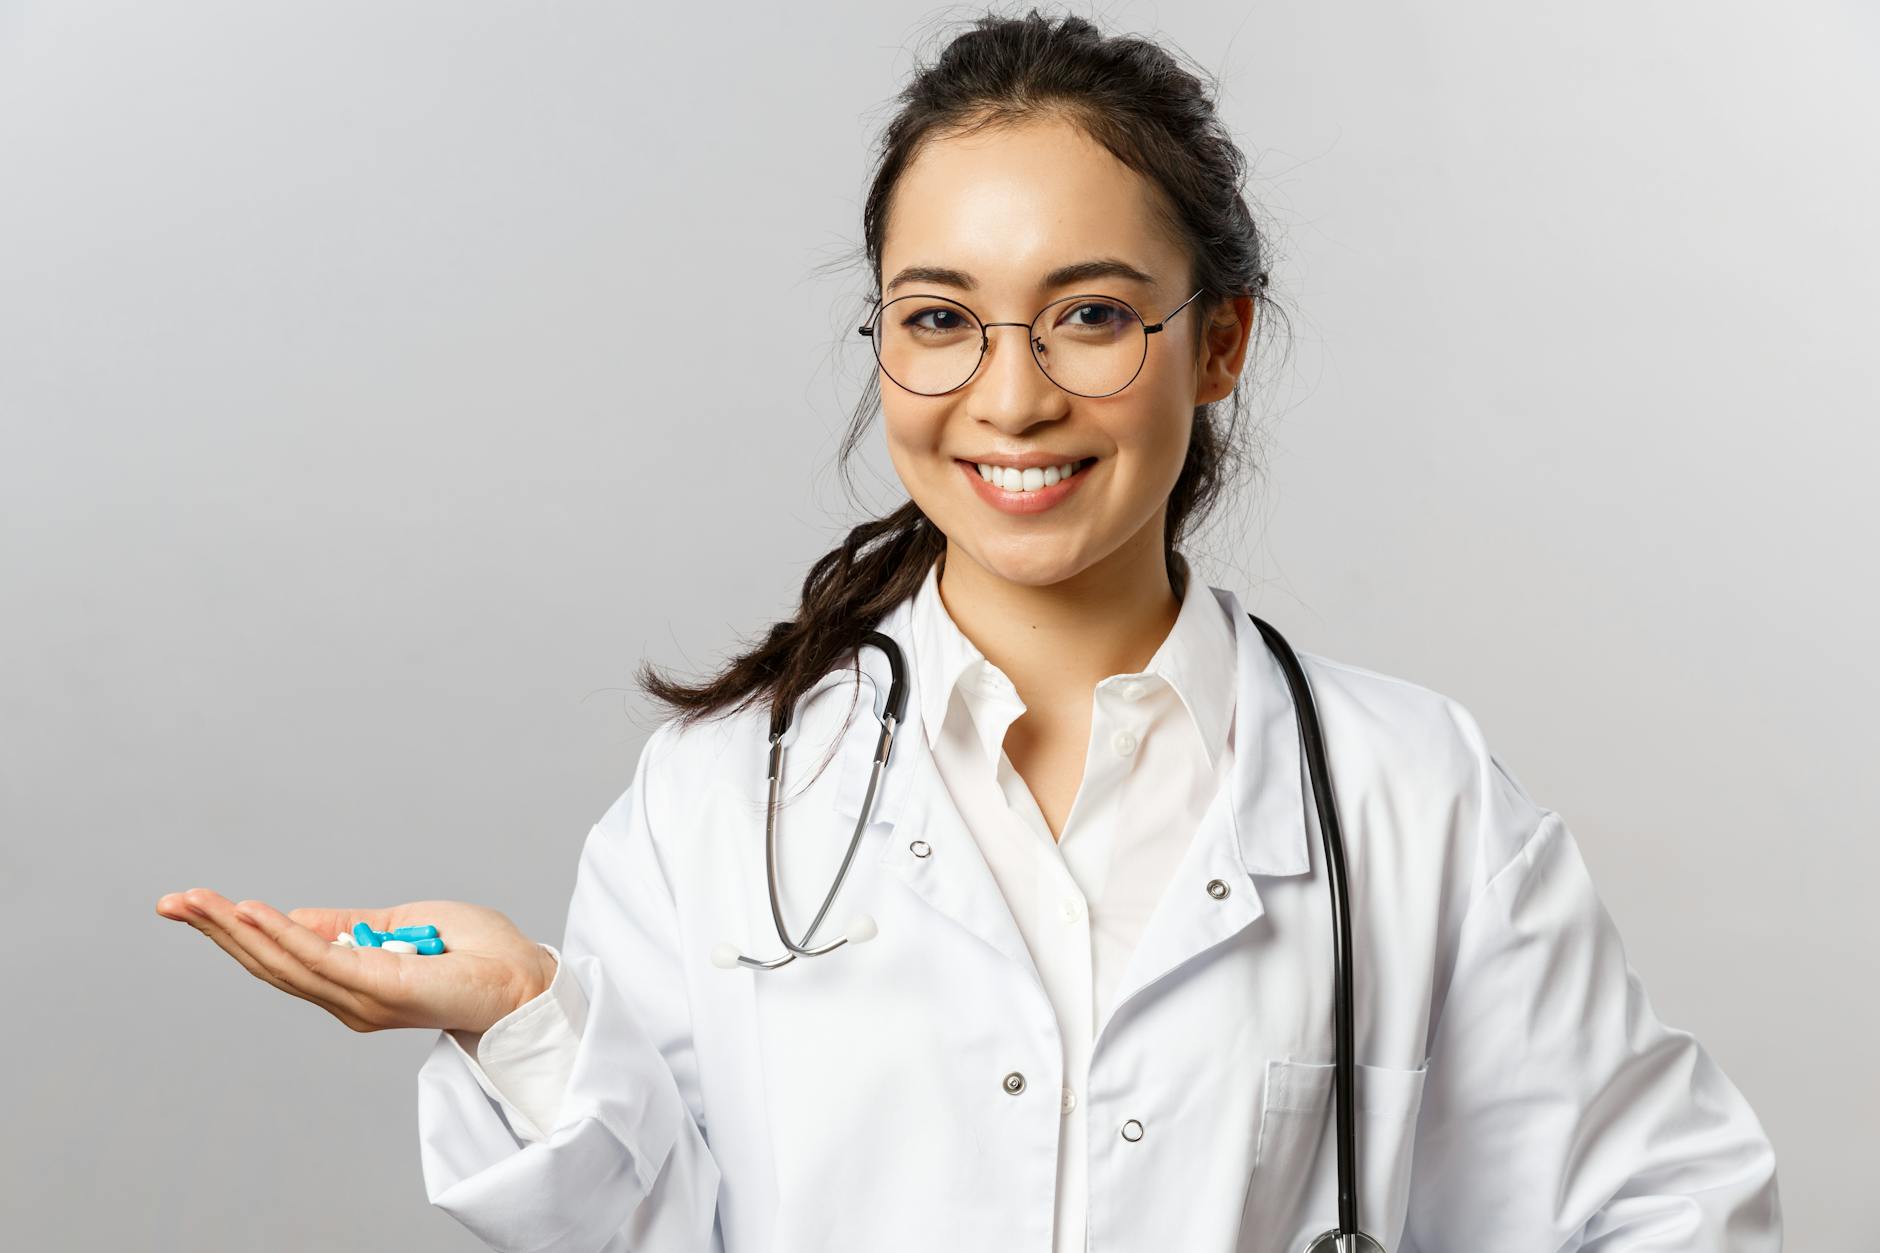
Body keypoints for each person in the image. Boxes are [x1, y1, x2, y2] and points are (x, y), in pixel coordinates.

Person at [155, 10, 1782, 1251]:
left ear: (1216, 343)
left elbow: (1673, 1209)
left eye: (1089, 314)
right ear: (885, 344)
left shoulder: (1409, 796)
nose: (1010, 395)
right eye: (940, 319)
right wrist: (521, 1010)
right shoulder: (721, 803)